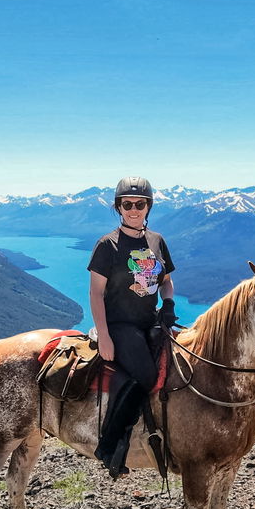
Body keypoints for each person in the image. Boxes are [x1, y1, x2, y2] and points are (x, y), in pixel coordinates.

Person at [88, 176, 177, 478]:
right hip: (119, 325)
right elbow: (96, 293)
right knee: (146, 376)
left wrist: (168, 305)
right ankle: (111, 445)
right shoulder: (107, 245)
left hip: (149, 322)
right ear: (119, 207)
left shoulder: (157, 241)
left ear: (148, 206)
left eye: (140, 204)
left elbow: (166, 282)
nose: (134, 209)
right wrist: (105, 337)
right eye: (127, 204)